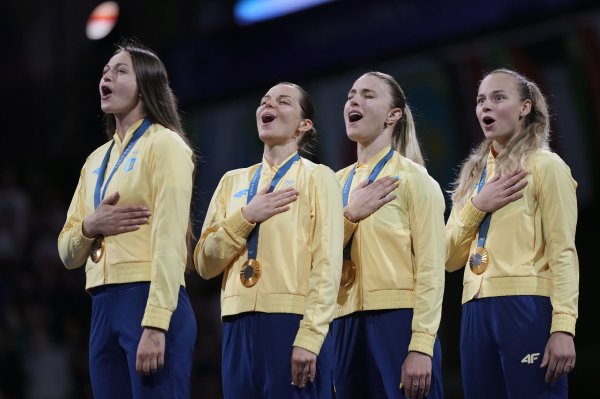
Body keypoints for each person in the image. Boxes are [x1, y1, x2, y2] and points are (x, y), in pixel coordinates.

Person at [57, 39, 197, 398]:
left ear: (146, 85)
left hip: (148, 299)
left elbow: (170, 240)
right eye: (105, 71)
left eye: (120, 71)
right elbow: (67, 252)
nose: (107, 76)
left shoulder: (165, 145)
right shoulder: (94, 161)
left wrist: (155, 323)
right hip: (102, 307)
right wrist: (91, 225)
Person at [195, 82, 343, 399]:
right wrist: (246, 216)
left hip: (293, 323)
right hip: (236, 327)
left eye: (283, 101)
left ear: (304, 125)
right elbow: (204, 263)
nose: (269, 105)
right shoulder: (231, 182)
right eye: (264, 101)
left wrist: (311, 336)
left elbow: (328, 263)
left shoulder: (319, 177)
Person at [445, 68, 579, 398]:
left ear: (525, 107)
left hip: (527, 307)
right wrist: (478, 205)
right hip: (474, 311)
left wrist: (563, 326)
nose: (485, 107)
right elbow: (448, 259)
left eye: (498, 97)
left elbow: (563, 252)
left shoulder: (547, 167)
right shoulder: (471, 177)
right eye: (480, 100)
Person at [332, 71, 446, 399]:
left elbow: (431, 270)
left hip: (400, 322)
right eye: (351, 94)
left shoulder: (415, 181)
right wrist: (350, 216)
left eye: (368, 95)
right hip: (342, 324)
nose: (353, 100)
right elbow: (311, 259)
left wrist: (422, 346)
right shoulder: (329, 185)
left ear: (393, 115)